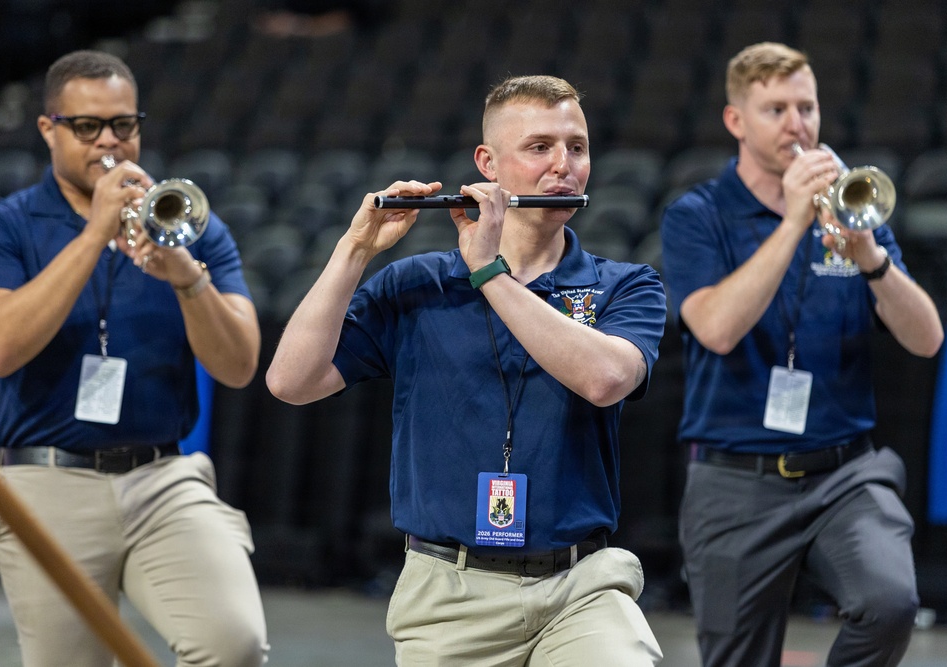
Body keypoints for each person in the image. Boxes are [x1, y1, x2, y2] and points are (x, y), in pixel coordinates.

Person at [266, 75, 665, 665]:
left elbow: (606, 380)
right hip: (446, 592)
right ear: (488, 164)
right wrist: (354, 250)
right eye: (539, 148)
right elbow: (291, 382)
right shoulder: (417, 284)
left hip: (580, 584)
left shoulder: (625, 285)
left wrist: (490, 275)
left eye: (576, 147)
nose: (564, 165)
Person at [0, 50, 268, 666]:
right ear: (49, 128)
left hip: (163, 477)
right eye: (87, 126)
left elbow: (239, 366)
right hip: (45, 480)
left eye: (123, 125)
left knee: (234, 645)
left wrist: (187, 279)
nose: (110, 142)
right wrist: (94, 232)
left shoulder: (191, 228)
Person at [660, 42, 944, 667]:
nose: (798, 124)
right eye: (776, 109)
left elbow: (927, 340)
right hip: (735, 478)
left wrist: (871, 259)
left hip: (845, 473)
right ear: (736, 121)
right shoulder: (697, 215)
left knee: (891, 602)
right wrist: (792, 222)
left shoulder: (852, 211)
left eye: (808, 107)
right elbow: (715, 329)